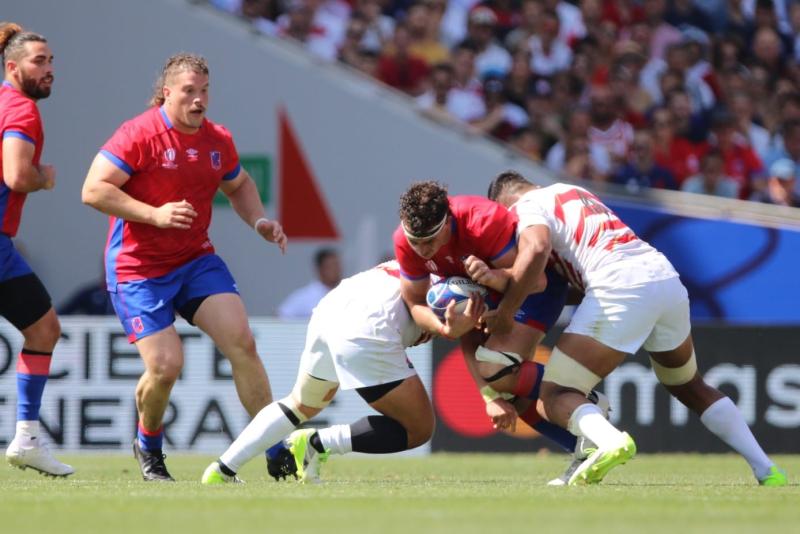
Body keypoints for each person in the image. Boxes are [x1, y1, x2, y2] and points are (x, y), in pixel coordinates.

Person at [485, 170, 788, 486]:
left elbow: (537, 248)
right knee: (689, 385)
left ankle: (609, 442)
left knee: (554, 395)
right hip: (663, 277)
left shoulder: (525, 207)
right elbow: (579, 269)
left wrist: (507, 310)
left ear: (505, 203)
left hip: (619, 285)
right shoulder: (576, 191)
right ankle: (766, 469)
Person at [201, 261, 599, 486]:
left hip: (334, 306)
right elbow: (459, 332)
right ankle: (316, 444)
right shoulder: (480, 288)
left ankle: (222, 470)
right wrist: (486, 387)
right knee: (418, 428)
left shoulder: (442, 260)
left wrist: (487, 394)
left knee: (299, 403)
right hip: (369, 327)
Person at [81, 53, 288, 482]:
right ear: (167, 93)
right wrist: (154, 214)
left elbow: (239, 184)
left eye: (205, 90)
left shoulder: (217, 139)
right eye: (189, 91)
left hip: (195, 260)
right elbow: (93, 190)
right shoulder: (138, 134)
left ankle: (275, 449)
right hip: (138, 268)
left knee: (242, 343)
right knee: (165, 367)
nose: (199, 100)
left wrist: (259, 221)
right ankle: (149, 445)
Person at [392, 181, 607, 483]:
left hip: (535, 290)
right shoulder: (405, 241)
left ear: (448, 222)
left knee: (496, 368)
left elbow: (535, 281)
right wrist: (446, 329)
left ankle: (581, 398)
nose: (423, 250)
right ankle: (587, 447)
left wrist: (494, 281)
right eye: (416, 242)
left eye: (430, 240)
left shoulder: (481, 221)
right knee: (503, 389)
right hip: (493, 292)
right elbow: (416, 304)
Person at [0, 23, 73, 477]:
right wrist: (43, 177)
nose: (49, 69)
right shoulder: (21, 108)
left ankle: (27, 438)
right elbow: (16, 174)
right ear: (13, 67)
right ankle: (26, 437)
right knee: (44, 330)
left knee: (43, 329)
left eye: (50, 61)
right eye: (38, 61)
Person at [277, 247, 342, 319]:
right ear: (320, 269)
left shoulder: (346, 293)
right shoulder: (306, 296)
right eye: (331, 266)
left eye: (337, 266)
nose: (336, 270)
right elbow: (281, 316)